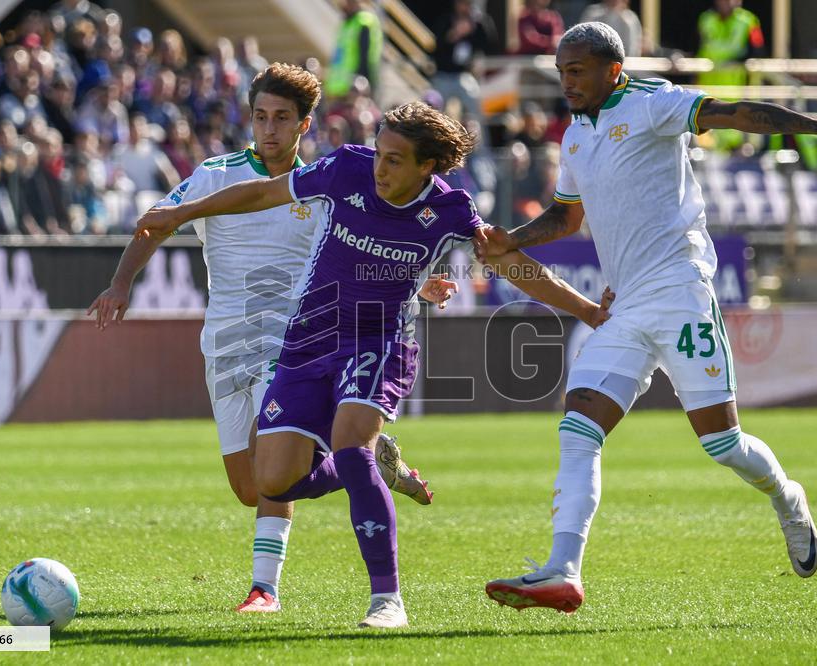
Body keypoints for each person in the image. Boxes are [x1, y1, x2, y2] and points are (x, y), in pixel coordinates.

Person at [134, 100, 614, 628]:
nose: (379, 169)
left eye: (394, 160)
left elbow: (512, 265)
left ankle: (387, 601)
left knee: (350, 444)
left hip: (379, 340)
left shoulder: (451, 210)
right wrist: (182, 212)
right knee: (271, 483)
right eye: (380, 154)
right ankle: (375, 467)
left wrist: (589, 310)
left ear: (426, 166)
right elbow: (264, 192)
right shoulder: (346, 169)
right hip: (309, 336)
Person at [477, 22, 817, 613]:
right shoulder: (578, 135)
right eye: (561, 72)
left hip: (682, 291)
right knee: (579, 427)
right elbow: (565, 219)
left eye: (576, 70)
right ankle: (562, 570)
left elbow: (737, 112)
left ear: (613, 69)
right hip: (625, 305)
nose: (566, 82)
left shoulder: (654, 101)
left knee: (723, 444)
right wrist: (514, 239)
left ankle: (788, 499)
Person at [89, 64, 439, 614]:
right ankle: (365, 464)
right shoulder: (215, 174)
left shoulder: (324, 185)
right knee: (251, 486)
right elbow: (157, 220)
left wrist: (423, 278)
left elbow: (373, 244)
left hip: (300, 340)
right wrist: (120, 283)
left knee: (275, 468)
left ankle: (264, 588)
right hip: (226, 343)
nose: (269, 129)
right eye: (260, 117)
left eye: (281, 119)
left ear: (303, 124)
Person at [696, 0, 765, 87]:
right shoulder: (705, 19)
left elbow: (758, 53)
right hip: (708, 86)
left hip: (738, 89)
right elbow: (697, 51)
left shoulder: (749, 21)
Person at [325, 0, 383, 99]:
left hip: (354, 88)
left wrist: (363, 83)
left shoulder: (364, 21)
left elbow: (365, 56)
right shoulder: (347, 22)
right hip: (339, 87)